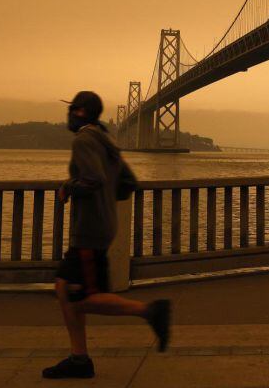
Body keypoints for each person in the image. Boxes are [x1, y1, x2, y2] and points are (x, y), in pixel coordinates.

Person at [43, 90, 171, 380]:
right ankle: (79, 358)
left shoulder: (85, 140)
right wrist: (104, 205)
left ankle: (151, 311)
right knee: (65, 287)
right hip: (100, 225)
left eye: (72, 108)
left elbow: (93, 180)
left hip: (89, 230)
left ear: (80, 112)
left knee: (84, 296)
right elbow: (127, 182)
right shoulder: (107, 141)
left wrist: (67, 188)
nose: (68, 114)